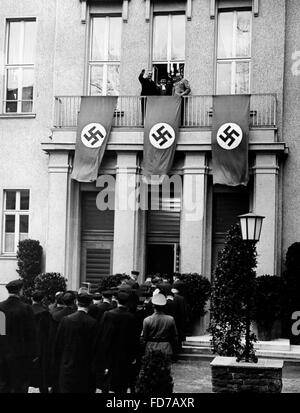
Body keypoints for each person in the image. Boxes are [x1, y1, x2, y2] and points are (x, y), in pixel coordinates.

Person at [94, 291, 139, 393]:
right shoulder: (131, 317)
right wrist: (133, 355)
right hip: (124, 353)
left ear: (117, 301)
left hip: (109, 352)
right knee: (121, 381)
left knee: (107, 380)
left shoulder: (108, 315)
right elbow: (134, 338)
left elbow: (102, 334)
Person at [54, 292, 97, 393]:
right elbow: (95, 347)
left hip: (67, 364)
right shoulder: (93, 323)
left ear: (77, 302)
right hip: (85, 367)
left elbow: (58, 344)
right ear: (90, 304)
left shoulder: (66, 320)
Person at [0, 279, 36, 393]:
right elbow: (31, 333)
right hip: (21, 354)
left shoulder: (1, 307)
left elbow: (1, 331)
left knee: (4, 384)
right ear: (20, 291)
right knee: (20, 385)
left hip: (3, 354)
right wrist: (33, 353)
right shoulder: (26, 309)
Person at [141, 293, 178, 360]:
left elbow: (144, 338)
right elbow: (174, 337)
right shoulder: (170, 319)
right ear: (164, 306)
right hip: (166, 347)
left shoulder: (147, 320)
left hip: (150, 347)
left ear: (153, 306)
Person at [30, 290, 51, 393]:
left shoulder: (27, 310)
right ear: (42, 299)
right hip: (42, 345)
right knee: (42, 372)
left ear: (31, 298)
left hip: (29, 343)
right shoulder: (45, 312)